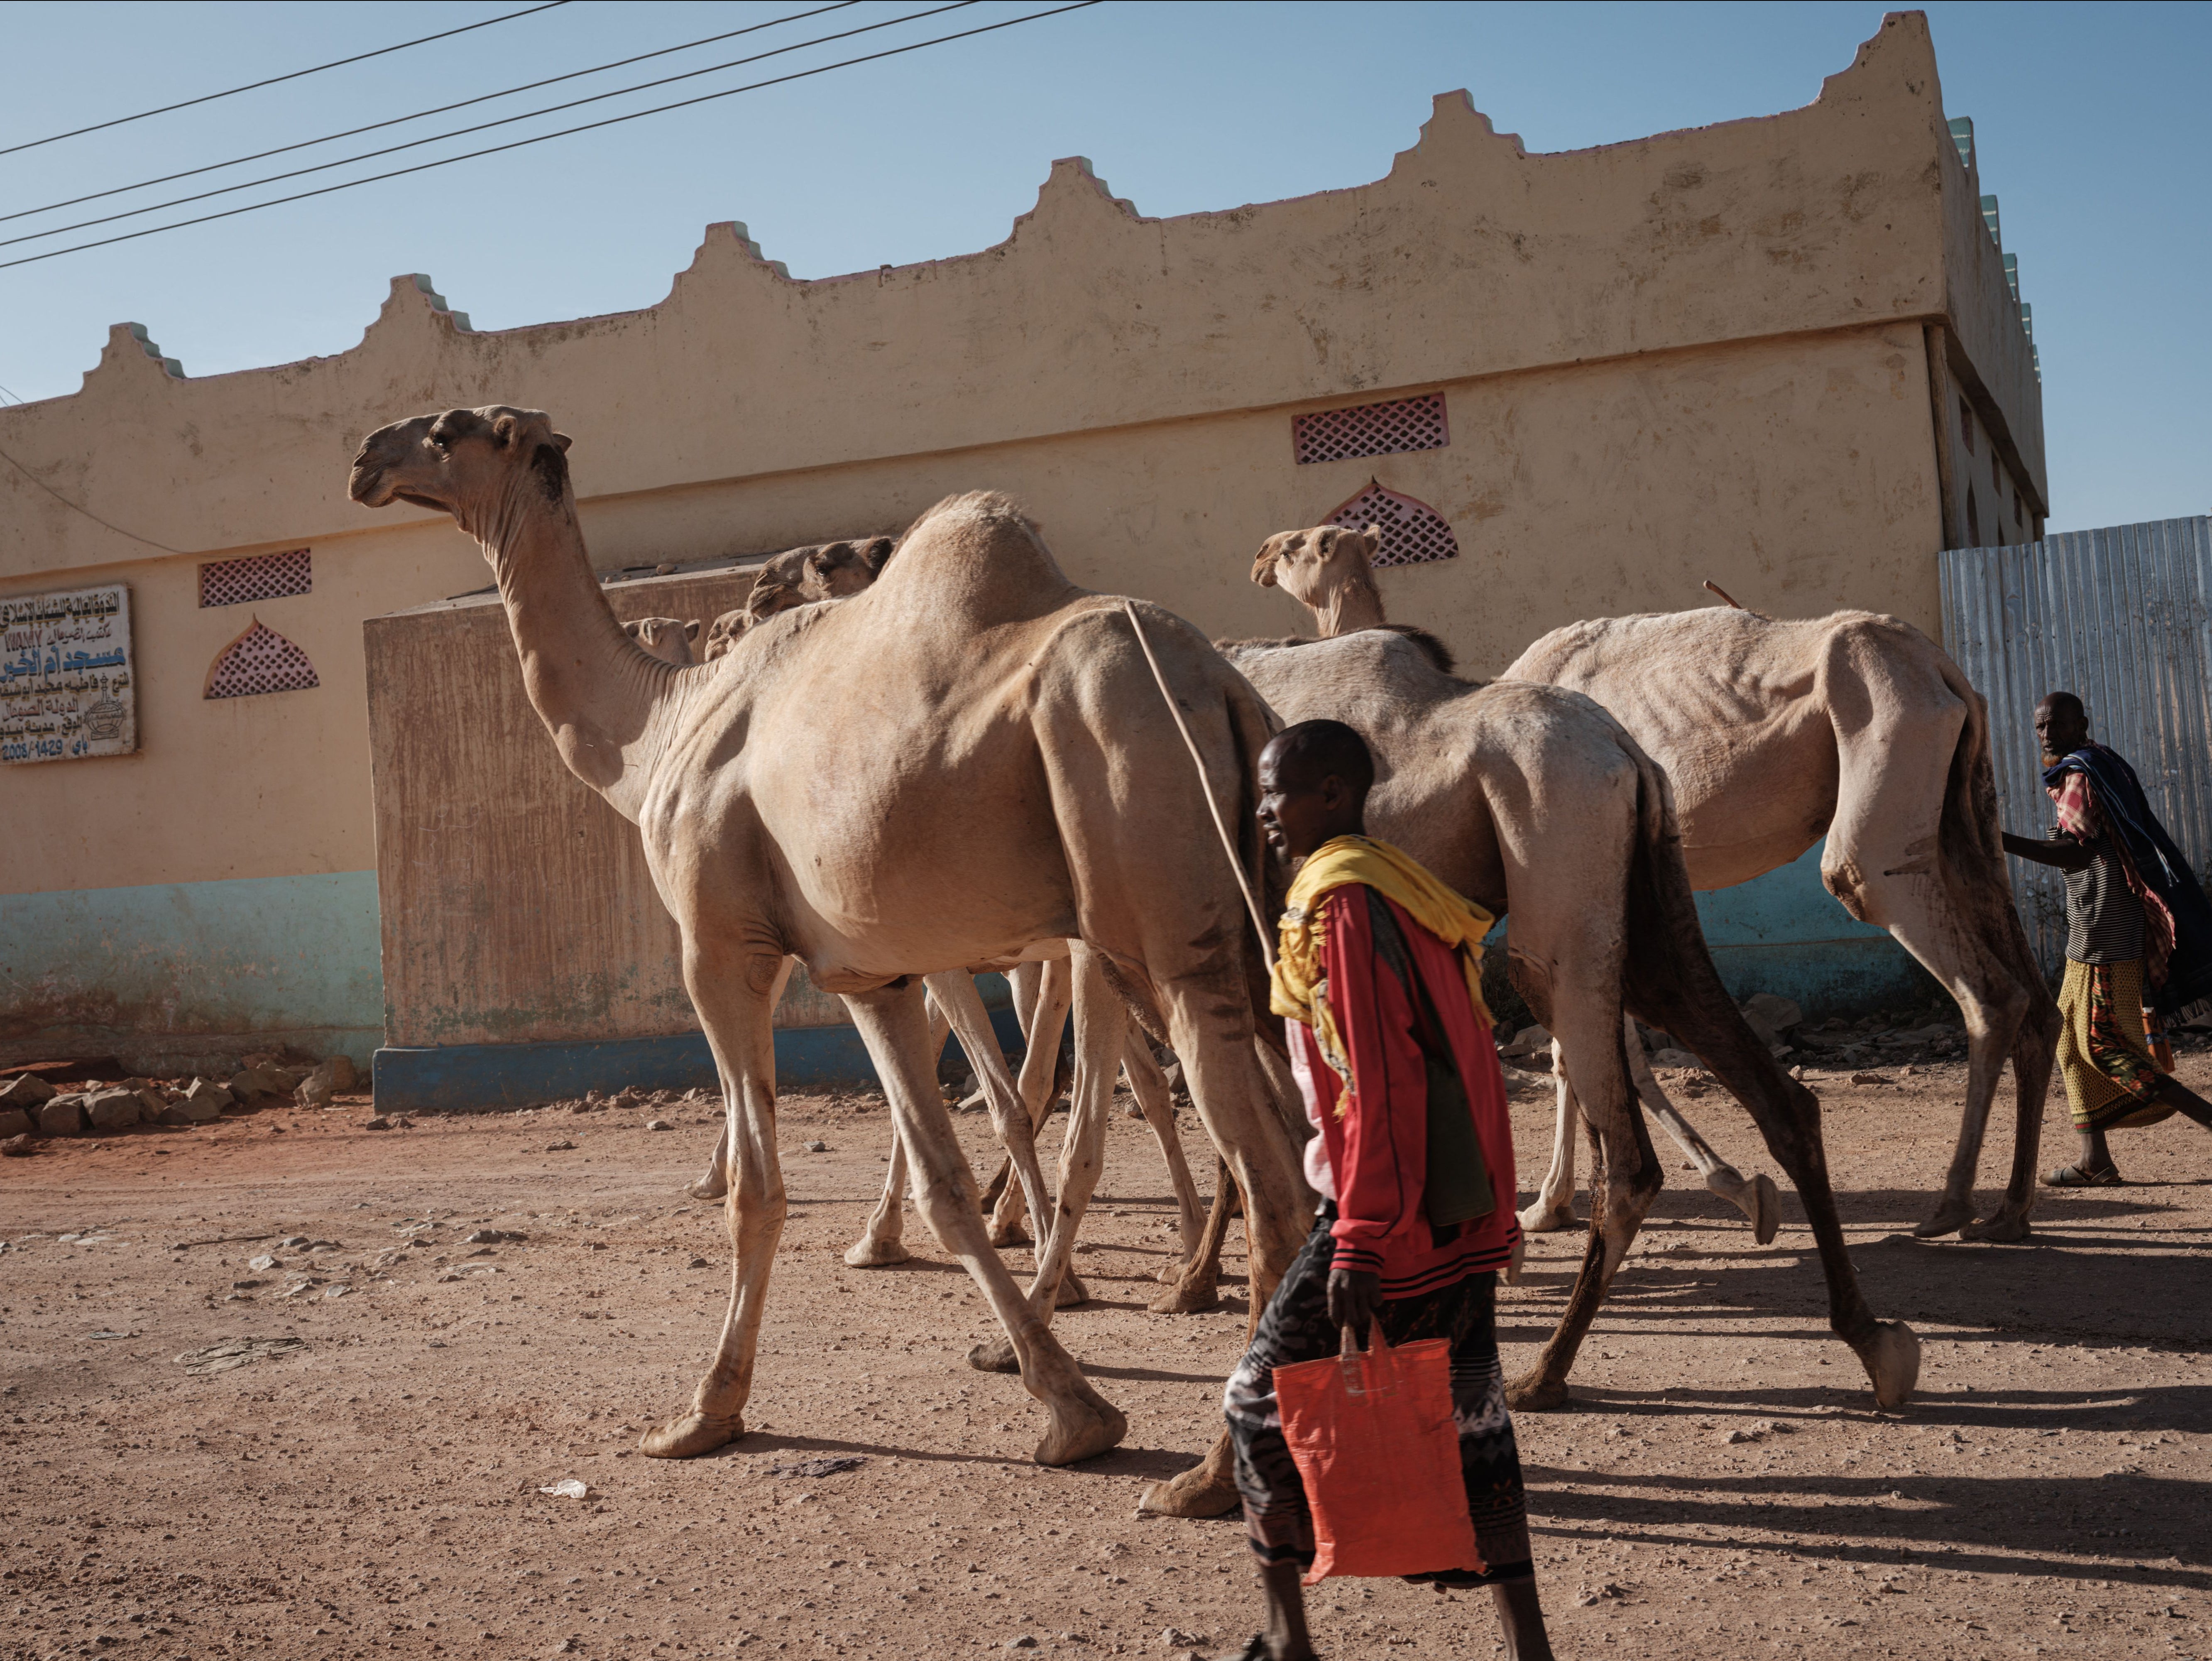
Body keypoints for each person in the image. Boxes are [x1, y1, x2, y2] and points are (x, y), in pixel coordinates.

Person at [1222, 718, 1552, 1661]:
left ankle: (1289, 1640)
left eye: (1278, 791)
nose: (1265, 812)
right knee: (1475, 1417)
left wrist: (1361, 1236)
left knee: (1254, 1398)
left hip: (1390, 1212)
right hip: (1450, 1206)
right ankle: (1530, 1648)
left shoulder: (1346, 910)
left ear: (1333, 794)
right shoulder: (1394, 892)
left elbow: (1381, 1078)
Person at [2001, 691, 2212, 1185]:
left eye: (2056, 724)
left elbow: (2076, 855)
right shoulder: (2092, 767)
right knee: (2068, 1045)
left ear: (2082, 724)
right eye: (2040, 727)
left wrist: (1999, 840)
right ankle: (2095, 1160)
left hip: (2107, 930)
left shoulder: (2080, 773)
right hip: (2088, 927)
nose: (2047, 734)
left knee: (2101, 1044)